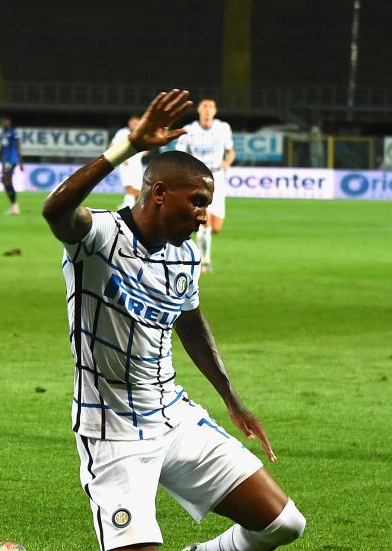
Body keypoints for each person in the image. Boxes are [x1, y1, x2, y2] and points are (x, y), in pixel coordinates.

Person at [42, 89, 304, 551]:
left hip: (174, 415)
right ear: (160, 193)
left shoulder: (183, 255)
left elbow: (192, 323)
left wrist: (231, 398)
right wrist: (126, 147)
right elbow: (56, 210)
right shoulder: (100, 237)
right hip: (111, 427)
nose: (203, 216)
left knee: (283, 523)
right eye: (197, 202)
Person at [175, 98, 234, 273]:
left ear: (215, 111)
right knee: (204, 221)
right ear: (199, 110)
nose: (208, 110)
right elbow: (179, 155)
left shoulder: (223, 128)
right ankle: (204, 261)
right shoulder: (189, 130)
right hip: (198, 179)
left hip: (218, 177)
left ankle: (188, 237)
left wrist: (227, 162)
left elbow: (230, 151)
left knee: (216, 227)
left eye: (211, 107)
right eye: (205, 107)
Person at [111, 114, 146, 209]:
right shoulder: (122, 133)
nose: (134, 124)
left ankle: (127, 207)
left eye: (136, 122)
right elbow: (112, 145)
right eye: (132, 122)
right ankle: (128, 207)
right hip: (125, 164)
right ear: (129, 123)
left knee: (138, 189)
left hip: (137, 165)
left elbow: (146, 151)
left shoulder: (142, 133)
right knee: (129, 188)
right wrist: (120, 157)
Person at [0, 116, 23, 214]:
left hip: (11, 160)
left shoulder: (13, 133)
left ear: (8, 122)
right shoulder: (2, 134)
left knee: (6, 179)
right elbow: (1, 148)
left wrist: (21, 161)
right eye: (1, 123)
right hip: (5, 160)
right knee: (5, 180)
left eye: (4, 122)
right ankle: (14, 205)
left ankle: (14, 206)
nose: (2, 124)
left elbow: (18, 147)